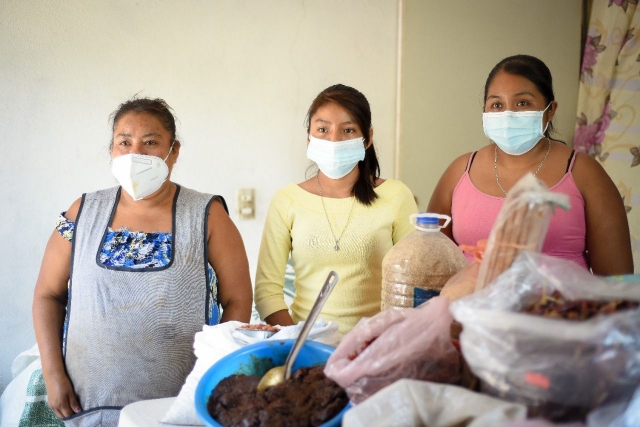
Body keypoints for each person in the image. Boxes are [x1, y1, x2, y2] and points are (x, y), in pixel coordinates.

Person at [32, 97, 253, 424]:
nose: (136, 153)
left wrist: (212, 374)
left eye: (150, 142)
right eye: (125, 142)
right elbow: (47, 295)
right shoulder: (82, 213)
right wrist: (52, 375)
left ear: (173, 151)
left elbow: (238, 299)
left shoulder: (208, 215)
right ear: (112, 150)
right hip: (88, 403)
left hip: (180, 405)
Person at [427, 54, 633, 275]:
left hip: (560, 308)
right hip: (466, 308)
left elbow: (616, 280)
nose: (508, 114)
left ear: (550, 110)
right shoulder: (459, 172)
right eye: (497, 104)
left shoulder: (584, 172)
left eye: (522, 103)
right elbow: (430, 261)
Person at [254, 84, 419, 335]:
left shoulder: (396, 196)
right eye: (323, 129)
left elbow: (413, 282)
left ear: (368, 138)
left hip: (376, 343)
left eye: (348, 129)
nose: (334, 140)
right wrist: (298, 343)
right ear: (309, 137)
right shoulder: (286, 200)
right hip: (305, 344)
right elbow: (267, 291)